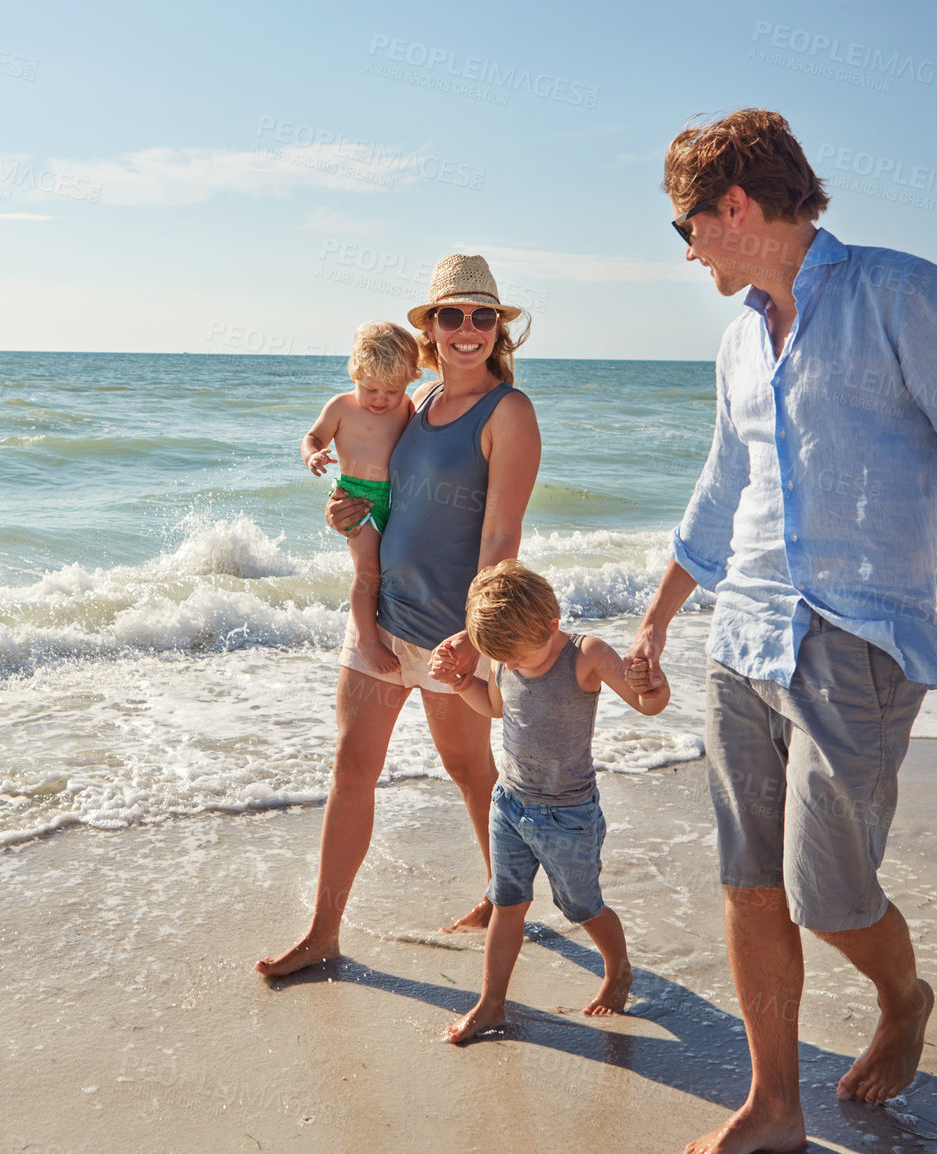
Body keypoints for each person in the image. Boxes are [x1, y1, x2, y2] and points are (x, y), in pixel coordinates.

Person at [624, 109, 937, 1154]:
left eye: (685, 226)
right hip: (744, 638)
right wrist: (653, 624)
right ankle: (773, 1104)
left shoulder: (904, 297)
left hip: (857, 639)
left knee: (828, 893)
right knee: (748, 880)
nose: (685, 251)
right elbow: (718, 494)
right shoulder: (738, 338)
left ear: (734, 206)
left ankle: (902, 996)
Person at [255, 254, 541, 977]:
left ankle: (503, 900)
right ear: (432, 330)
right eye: (453, 316)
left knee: (471, 772)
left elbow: (502, 537)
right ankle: (323, 931)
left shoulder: (509, 411)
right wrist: (346, 512)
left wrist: (477, 639)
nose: (467, 329)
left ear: (498, 330)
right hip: (381, 621)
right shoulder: (413, 409)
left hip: (453, 635)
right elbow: (377, 487)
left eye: (482, 317)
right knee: (352, 768)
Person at [430, 560, 669, 1042]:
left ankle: (617, 967)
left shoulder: (587, 655)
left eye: (519, 659)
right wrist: (461, 683)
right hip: (510, 804)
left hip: (569, 816)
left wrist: (654, 685)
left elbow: (647, 704)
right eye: (505, 661)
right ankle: (491, 1004)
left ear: (552, 625)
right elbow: (496, 708)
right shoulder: (504, 656)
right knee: (506, 902)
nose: (513, 667)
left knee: (583, 907)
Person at [300, 322, 423, 676]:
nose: (381, 399)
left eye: (392, 390)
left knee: (391, 570)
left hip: (396, 499)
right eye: (371, 389)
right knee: (367, 569)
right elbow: (313, 436)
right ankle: (365, 640)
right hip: (358, 497)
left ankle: (395, 628)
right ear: (355, 373)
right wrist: (313, 456)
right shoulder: (341, 406)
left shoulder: (407, 408)